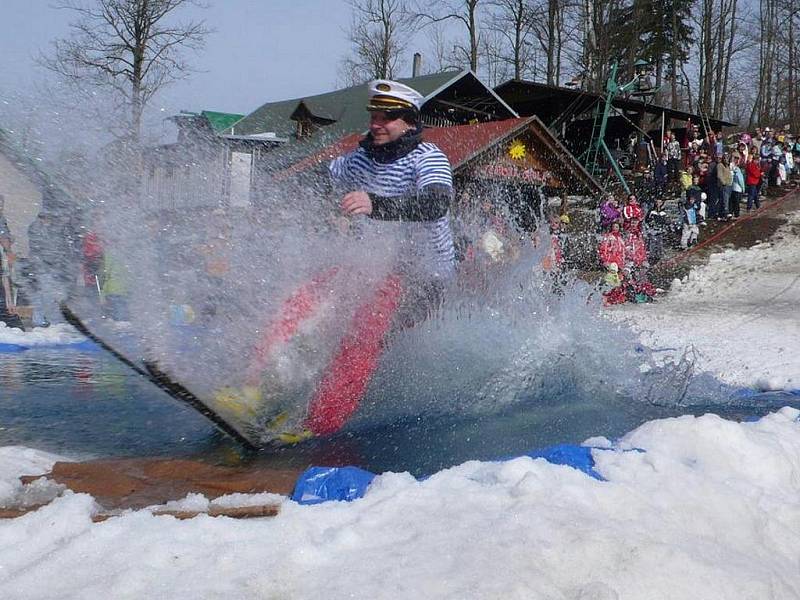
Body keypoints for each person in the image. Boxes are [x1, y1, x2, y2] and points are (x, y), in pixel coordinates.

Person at [330, 79, 455, 326]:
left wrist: (375, 205)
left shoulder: (428, 157)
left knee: (380, 324)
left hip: (427, 277)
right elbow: (315, 183)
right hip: (379, 272)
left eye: (385, 118)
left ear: (409, 122)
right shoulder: (359, 159)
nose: (375, 125)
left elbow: (435, 205)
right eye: (373, 117)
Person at [730, 154, 745, 219]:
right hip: (735, 189)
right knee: (735, 203)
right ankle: (736, 214)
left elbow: (740, 180)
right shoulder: (735, 168)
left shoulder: (737, 168)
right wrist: (743, 188)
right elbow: (740, 180)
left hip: (736, 188)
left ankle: (734, 214)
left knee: (734, 202)